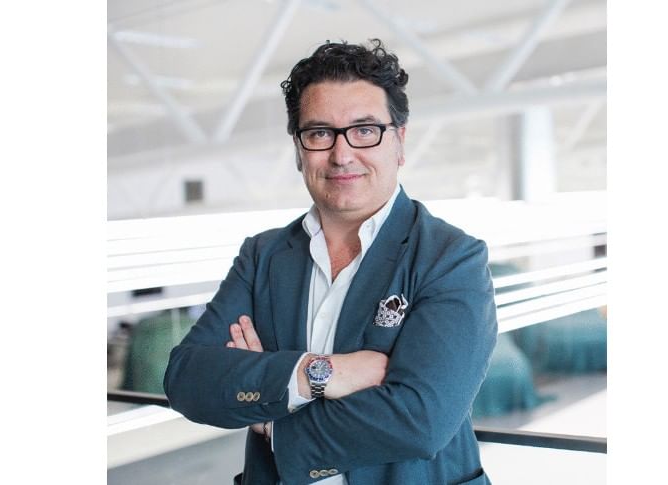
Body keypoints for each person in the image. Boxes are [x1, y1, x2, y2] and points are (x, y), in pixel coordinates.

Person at [164, 39, 498, 485]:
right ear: (299, 149)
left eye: (364, 130)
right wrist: (319, 374)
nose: (341, 155)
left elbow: (420, 420)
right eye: (320, 133)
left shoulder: (450, 258)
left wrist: (273, 420)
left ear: (399, 141)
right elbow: (187, 380)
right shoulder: (262, 256)